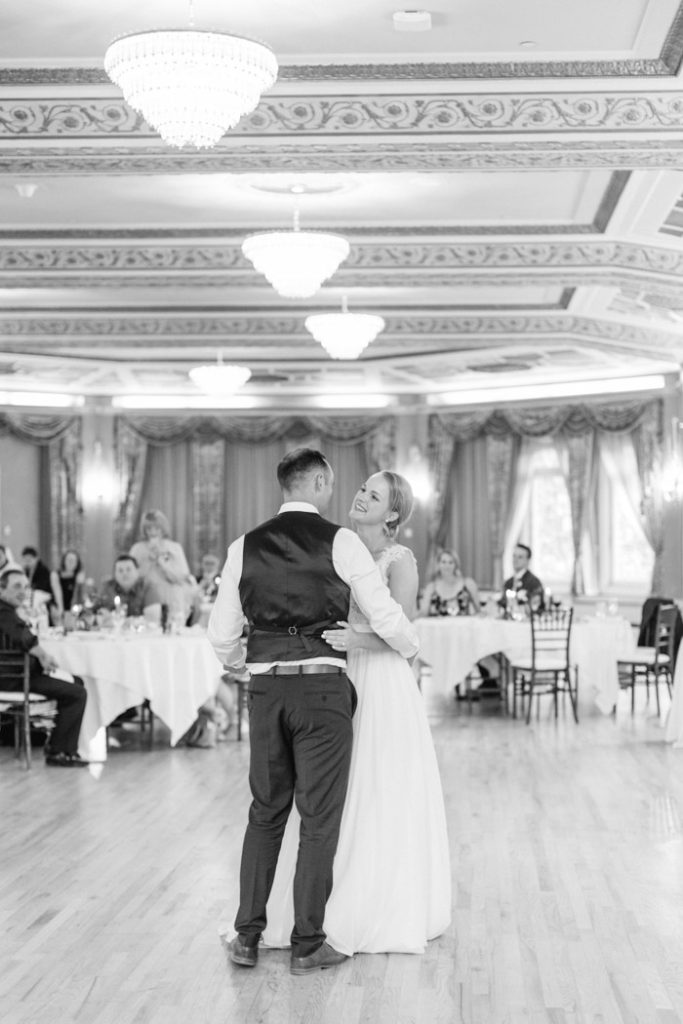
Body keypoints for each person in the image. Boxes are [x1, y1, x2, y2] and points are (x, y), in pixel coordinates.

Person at [208, 448, 420, 976]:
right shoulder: (341, 541)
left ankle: (247, 938)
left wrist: (245, 664)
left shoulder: (243, 545)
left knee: (265, 813)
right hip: (323, 692)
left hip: (266, 693)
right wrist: (408, 643)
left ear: (284, 485)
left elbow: (220, 635)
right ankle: (306, 943)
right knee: (319, 819)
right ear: (321, 480)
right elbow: (386, 614)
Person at [261, 470, 451, 956]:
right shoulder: (339, 548)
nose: (360, 495)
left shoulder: (399, 560)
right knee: (331, 794)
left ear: (393, 513)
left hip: (382, 683)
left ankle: (369, 907)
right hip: (335, 680)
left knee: (376, 787)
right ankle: (317, 905)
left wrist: (358, 639)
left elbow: (405, 633)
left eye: (373, 494)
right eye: (361, 488)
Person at [0, 568, 88, 767]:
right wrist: (43, 655)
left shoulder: (7, 610)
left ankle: (59, 745)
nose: (22, 591)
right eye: (16, 586)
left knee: (76, 682)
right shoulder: (3, 611)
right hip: (14, 679)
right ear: (1, 589)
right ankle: (59, 752)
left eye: (25, 586)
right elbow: (21, 635)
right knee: (77, 693)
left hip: (20, 674)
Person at [129, 510, 195, 621]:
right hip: (147, 598)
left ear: (163, 528)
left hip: (171, 597)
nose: (153, 532)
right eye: (149, 529)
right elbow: (133, 578)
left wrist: (162, 563)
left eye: (157, 528)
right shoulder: (137, 549)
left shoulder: (174, 548)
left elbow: (181, 577)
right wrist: (148, 561)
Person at [419, 547, 481, 617]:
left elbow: (479, 612)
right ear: (438, 564)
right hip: (438, 627)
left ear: (456, 565)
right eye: (443, 562)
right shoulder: (431, 588)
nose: (447, 566)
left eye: (450, 562)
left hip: (463, 627)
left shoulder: (468, 584)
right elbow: (423, 614)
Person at [96, 555, 162, 620]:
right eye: (120, 570)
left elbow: (152, 620)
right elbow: (98, 615)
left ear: (137, 571)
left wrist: (119, 621)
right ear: (114, 574)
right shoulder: (107, 587)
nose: (124, 573)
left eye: (128, 569)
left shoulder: (148, 587)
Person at [500, 543, 545, 613]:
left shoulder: (534, 583)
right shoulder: (508, 583)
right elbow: (503, 604)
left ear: (528, 560)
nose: (515, 560)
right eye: (514, 556)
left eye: (520, 557)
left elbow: (536, 608)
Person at [51, 548, 86, 616]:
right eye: (69, 560)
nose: (71, 563)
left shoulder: (79, 575)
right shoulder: (55, 574)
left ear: (77, 563)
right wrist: (61, 611)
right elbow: (57, 593)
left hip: (73, 608)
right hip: (58, 606)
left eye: (73, 560)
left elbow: (79, 596)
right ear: (64, 561)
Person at [190, 553, 221, 628]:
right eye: (207, 563)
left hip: (215, 604)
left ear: (217, 565)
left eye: (212, 564)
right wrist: (201, 585)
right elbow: (193, 593)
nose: (209, 566)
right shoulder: (197, 579)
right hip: (199, 605)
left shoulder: (220, 578)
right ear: (202, 565)